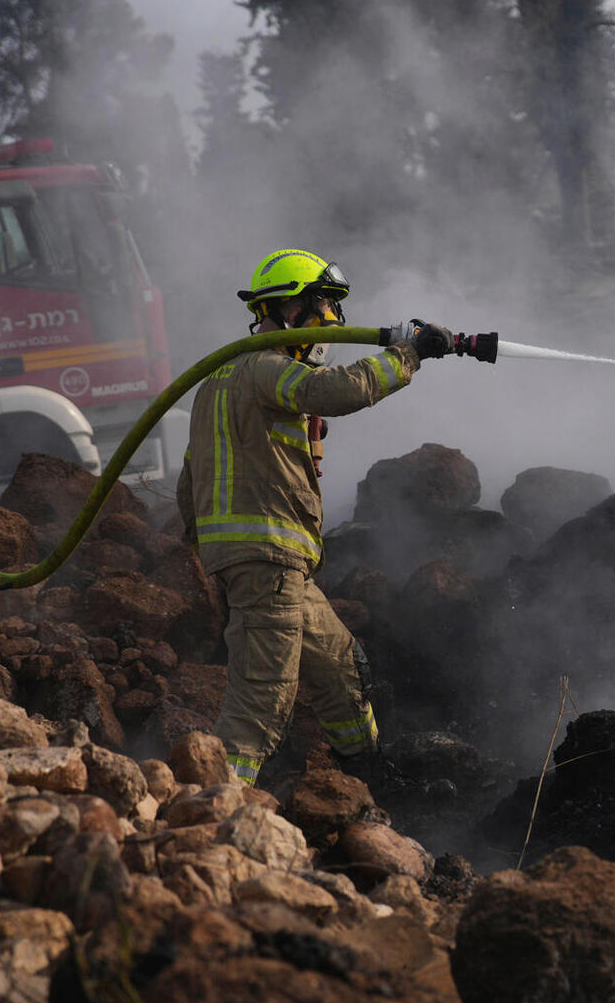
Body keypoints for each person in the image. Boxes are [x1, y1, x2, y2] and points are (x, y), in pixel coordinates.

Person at [175, 248, 451, 786]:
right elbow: (333, 389)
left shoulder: (218, 381)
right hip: (266, 562)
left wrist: (210, 551)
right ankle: (211, 811)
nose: (333, 320)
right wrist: (408, 355)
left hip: (276, 567)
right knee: (261, 702)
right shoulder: (266, 366)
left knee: (342, 668)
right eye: (325, 304)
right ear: (289, 308)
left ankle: (369, 781)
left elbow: (191, 479)